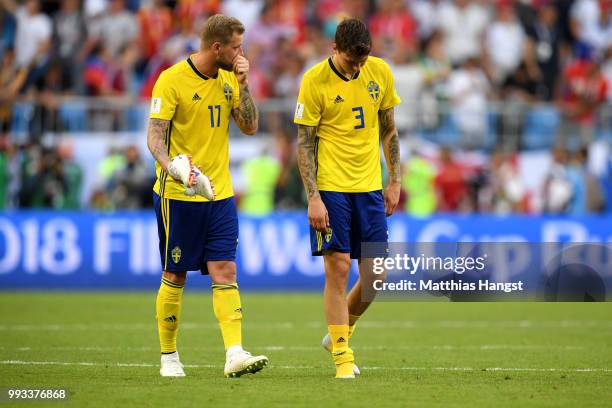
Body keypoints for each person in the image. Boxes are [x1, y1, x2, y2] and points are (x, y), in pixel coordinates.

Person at [146, 14, 267, 378]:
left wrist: (245, 85)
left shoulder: (231, 78)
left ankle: (234, 353)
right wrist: (173, 167)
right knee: (175, 273)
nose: (241, 52)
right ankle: (169, 356)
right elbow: (154, 135)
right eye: (236, 47)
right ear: (217, 47)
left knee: (225, 269)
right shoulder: (172, 80)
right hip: (179, 194)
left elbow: (249, 126)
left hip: (220, 194)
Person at [294, 18, 401, 379]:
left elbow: (388, 128)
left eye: (361, 62)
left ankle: (342, 330)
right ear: (334, 49)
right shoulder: (314, 81)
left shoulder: (380, 72)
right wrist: (313, 198)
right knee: (338, 268)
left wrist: (395, 179)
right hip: (331, 187)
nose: (357, 68)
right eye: (350, 62)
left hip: (370, 185)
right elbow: (304, 144)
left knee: (377, 277)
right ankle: (343, 357)